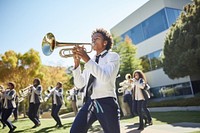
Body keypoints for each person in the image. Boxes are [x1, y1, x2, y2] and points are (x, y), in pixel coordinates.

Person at [70, 28, 121, 133]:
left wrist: (86, 59)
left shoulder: (113, 56)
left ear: (105, 42)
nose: (93, 41)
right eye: (92, 39)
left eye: (96, 38)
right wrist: (77, 63)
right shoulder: (91, 61)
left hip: (106, 101)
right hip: (90, 102)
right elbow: (80, 84)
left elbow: (105, 77)